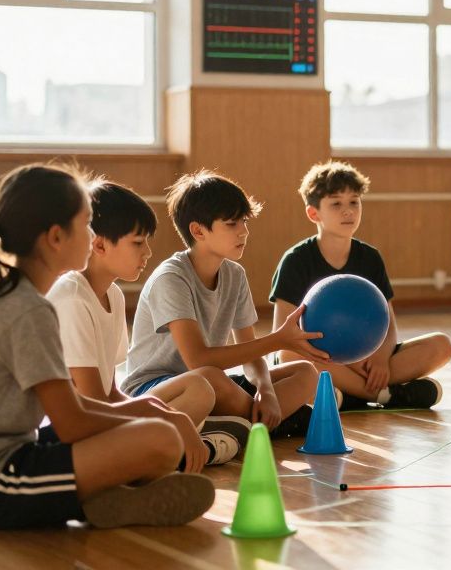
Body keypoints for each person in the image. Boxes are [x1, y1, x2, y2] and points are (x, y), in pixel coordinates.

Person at [0, 164, 214, 530]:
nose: (93, 235)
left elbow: (83, 405)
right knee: (159, 440)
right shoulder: (27, 309)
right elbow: (73, 422)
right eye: (88, 223)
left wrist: (154, 410)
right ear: (56, 237)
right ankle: (98, 495)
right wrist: (160, 415)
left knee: (158, 437)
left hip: (4, 455)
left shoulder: (23, 299)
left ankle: (108, 500)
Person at [48, 178, 250, 465]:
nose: (148, 252)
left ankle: (183, 443)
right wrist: (169, 419)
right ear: (100, 245)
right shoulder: (72, 297)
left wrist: (168, 416)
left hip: (100, 422)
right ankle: (181, 445)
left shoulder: (114, 295)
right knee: (180, 412)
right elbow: (92, 406)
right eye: (138, 243)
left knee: (199, 392)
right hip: (77, 437)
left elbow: (110, 392)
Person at [122, 170, 327, 439]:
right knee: (209, 377)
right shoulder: (171, 277)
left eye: (244, 221)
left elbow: (252, 356)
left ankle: (241, 425)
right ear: (198, 230)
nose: (244, 231)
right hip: (156, 390)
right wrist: (278, 340)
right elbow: (198, 360)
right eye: (232, 224)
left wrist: (265, 389)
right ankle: (268, 423)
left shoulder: (235, 275)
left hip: (210, 384)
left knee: (305, 373)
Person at [271, 160, 451, 409]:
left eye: (354, 202)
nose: (348, 211)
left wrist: (380, 358)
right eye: (336, 203)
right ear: (314, 213)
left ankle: (345, 395)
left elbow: (388, 321)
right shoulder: (295, 260)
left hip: (367, 357)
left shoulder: (370, 257)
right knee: (291, 358)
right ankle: (382, 395)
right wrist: (355, 363)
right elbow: (283, 337)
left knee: (441, 345)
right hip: (316, 356)